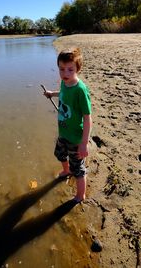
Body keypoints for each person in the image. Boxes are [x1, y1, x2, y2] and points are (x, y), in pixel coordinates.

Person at [44, 48, 92, 202]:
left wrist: (84, 144)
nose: (65, 73)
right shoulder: (65, 83)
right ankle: (66, 170)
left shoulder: (80, 90)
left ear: (78, 69)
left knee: (79, 169)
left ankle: (80, 195)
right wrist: (52, 93)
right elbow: (63, 92)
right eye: (61, 69)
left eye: (70, 69)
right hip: (63, 133)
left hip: (76, 138)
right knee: (59, 154)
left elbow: (87, 118)